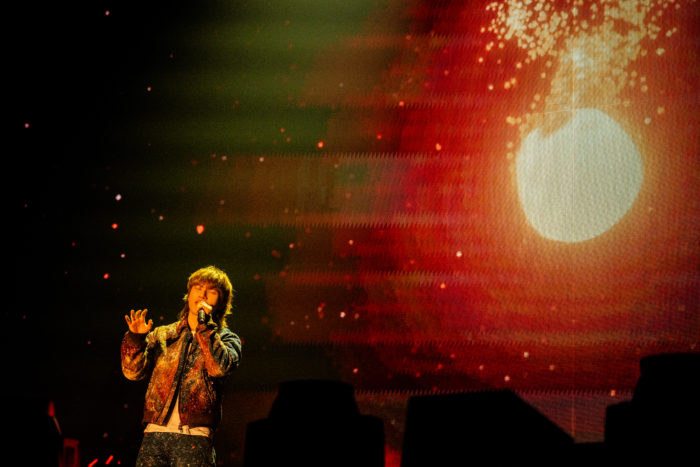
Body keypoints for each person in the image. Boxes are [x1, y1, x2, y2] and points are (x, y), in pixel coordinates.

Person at [121, 266, 242, 466]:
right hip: (154, 434)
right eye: (198, 287)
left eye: (211, 291)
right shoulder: (164, 334)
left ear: (221, 302)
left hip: (195, 436)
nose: (202, 294)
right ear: (189, 293)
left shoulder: (226, 339)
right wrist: (136, 339)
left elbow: (218, 368)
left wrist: (205, 328)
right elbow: (132, 373)